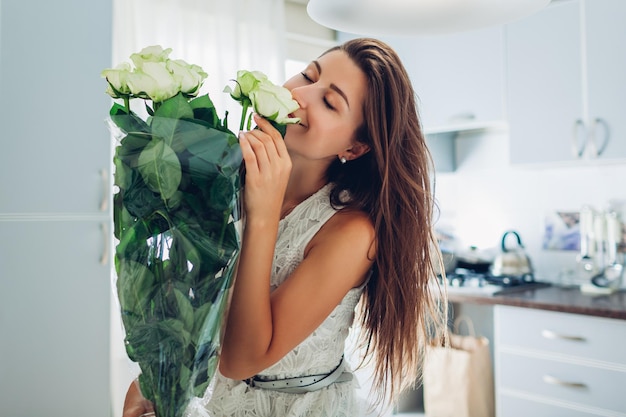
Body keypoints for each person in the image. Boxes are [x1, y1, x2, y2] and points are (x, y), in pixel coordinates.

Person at [123, 37, 446, 417]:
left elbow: (241, 359)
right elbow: (192, 302)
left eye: (329, 102)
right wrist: (157, 380)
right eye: (308, 74)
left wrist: (263, 213)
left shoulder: (353, 233)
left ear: (354, 148)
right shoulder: (227, 177)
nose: (301, 96)